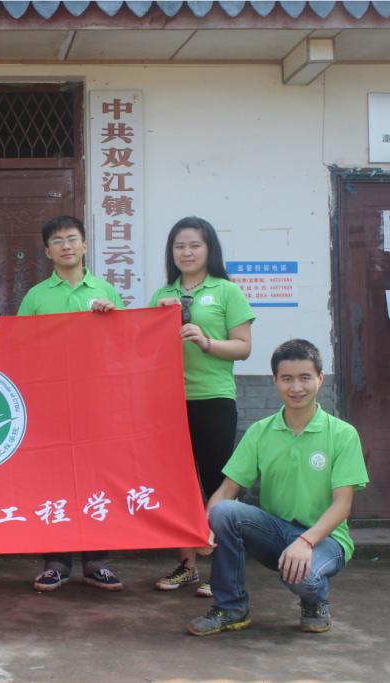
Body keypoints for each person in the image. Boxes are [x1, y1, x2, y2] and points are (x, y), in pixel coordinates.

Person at [188, 339, 369, 635]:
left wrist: (306, 542)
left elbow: (342, 506)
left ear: (320, 378)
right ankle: (231, 608)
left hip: (326, 539)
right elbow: (226, 490)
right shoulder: (260, 432)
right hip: (275, 533)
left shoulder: (342, 434)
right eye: (287, 379)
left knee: (303, 576)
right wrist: (204, 528)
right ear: (275, 381)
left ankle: (315, 602)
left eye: (305, 377)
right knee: (223, 511)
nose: (296, 387)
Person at [16, 214, 125, 592]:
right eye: (58, 241)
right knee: (54, 481)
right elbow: (19, 347)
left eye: (72, 239)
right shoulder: (36, 296)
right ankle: (56, 562)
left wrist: (111, 320)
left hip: (96, 402)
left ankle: (97, 561)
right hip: (49, 404)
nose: (66, 246)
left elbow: (124, 345)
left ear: (84, 245)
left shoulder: (106, 291)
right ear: (48, 252)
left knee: (96, 478)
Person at [150, 216, 254, 598]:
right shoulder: (162, 294)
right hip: (168, 402)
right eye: (179, 246)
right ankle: (187, 566)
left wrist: (206, 341)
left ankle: (223, 571)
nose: (187, 252)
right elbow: (144, 348)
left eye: (195, 245)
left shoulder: (227, 291)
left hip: (213, 398)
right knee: (178, 486)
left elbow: (243, 347)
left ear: (209, 249)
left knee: (216, 484)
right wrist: (155, 320)